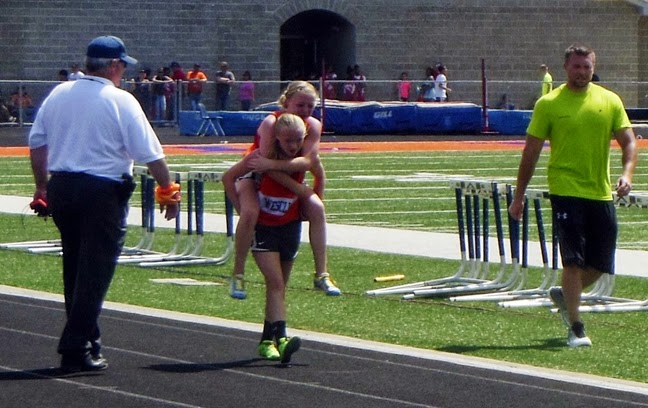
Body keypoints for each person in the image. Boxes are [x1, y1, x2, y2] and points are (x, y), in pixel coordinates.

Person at [28, 35, 180, 372]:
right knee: (95, 273)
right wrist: (168, 191)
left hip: (63, 186)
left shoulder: (59, 94)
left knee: (76, 269)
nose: (123, 72)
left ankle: (87, 342)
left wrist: (42, 187)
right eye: (122, 66)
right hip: (102, 191)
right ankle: (75, 347)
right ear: (113, 66)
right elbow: (151, 154)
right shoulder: (120, 100)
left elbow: (37, 143)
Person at [509, 44, 637, 348]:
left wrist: (627, 175)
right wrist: (519, 195)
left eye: (587, 67)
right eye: (577, 67)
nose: (582, 72)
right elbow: (530, 153)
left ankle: (566, 295)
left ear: (594, 68)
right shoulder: (549, 104)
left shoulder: (610, 100)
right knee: (572, 261)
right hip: (566, 190)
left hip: (600, 192)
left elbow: (629, 143)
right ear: (566, 68)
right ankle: (576, 326)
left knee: (602, 263)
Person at [225, 80, 341, 299]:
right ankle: (238, 273)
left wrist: (313, 195)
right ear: (286, 103)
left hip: (283, 176)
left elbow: (309, 163)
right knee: (250, 213)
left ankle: (321, 273)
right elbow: (262, 166)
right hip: (255, 173)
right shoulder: (271, 123)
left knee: (317, 207)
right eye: (301, 105)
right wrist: (300, 188)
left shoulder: (313, 125)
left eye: (310, 106)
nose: (306, 111)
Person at [222, 113, 308, 363]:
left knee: (278, 288)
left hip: (289, 226)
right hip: (265, 228)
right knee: (276, 283)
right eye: (288, 141)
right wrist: (243, 212)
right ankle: (281, 337)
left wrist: (312, 205)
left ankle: (265, 341)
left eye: (298, 141)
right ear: (277, 138)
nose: (293, 146)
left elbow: (318, 175)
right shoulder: (258, 159)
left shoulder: (303, 160)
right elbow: (228, 177)